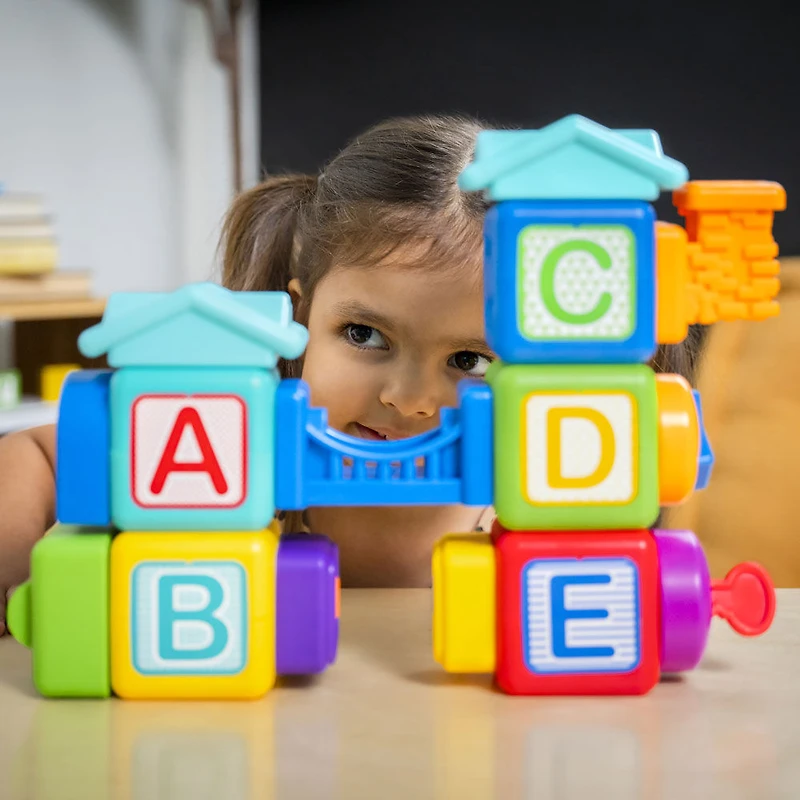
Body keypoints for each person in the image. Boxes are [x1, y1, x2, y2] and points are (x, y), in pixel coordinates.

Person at [0, 114, 697, 633]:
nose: (408, 398)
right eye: (364, 335)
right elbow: (35, 454)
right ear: (295, 319)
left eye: (472, 362)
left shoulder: (544, 507)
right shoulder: (232, 447)